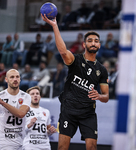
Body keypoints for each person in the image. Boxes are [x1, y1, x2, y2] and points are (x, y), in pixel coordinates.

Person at [42, 14, 109, 150]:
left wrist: (100, 96)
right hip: (69, 111)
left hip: (88, 113)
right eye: (90, 40)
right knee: (62, 147)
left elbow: (106, 96)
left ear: (99, 45)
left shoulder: (102, 70)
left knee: (92, 147)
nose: (93, 43)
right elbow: (62, 51)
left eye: (96, 41)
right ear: (84, 44)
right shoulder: (75, 60)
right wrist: (55, 26)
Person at [0, 69, 31, 150]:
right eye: (12, 77)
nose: (15, 79)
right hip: (4, 141)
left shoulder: (26, 96)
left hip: (21, 140)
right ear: (6, 79)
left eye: (17, 77)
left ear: (20, 79)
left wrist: (2, 103)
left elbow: (21, 114)